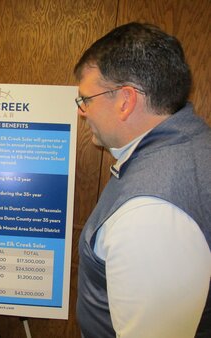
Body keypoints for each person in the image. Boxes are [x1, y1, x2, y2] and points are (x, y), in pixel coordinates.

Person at [74, 22, 210, 338]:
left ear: (125, 100)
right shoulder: (190, 144)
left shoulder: (150, 213)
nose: (83, 113)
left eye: (86, 100)